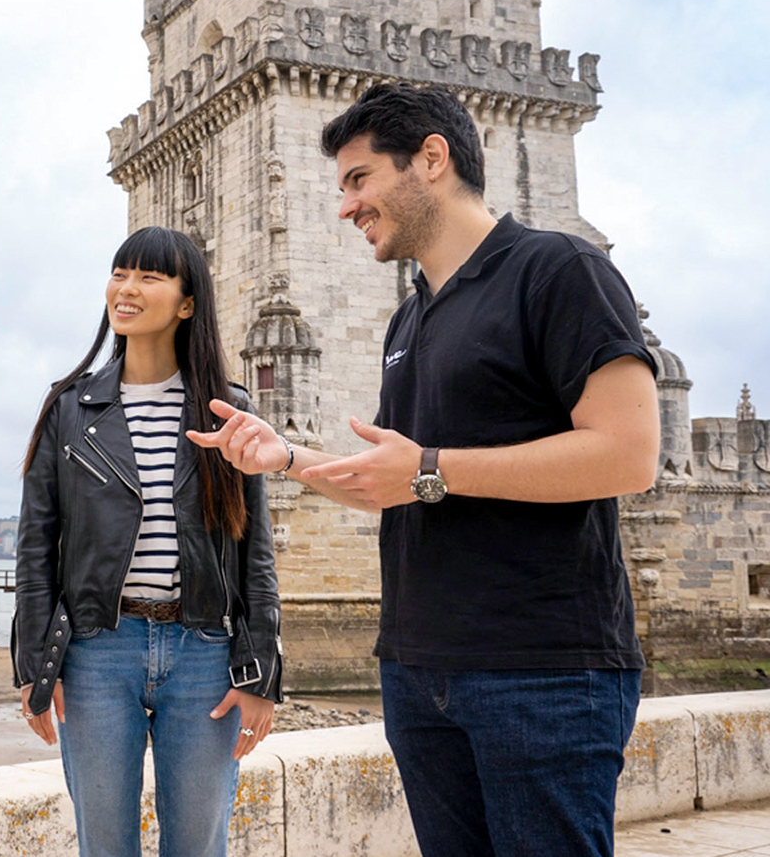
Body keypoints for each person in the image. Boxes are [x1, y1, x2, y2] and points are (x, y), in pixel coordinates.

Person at [191, 82, 658, 857]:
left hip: (540, 671)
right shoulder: (411, 316)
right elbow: (399, 480)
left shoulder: (559, 270)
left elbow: (629, 453)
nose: (346, 207)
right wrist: (288, 457)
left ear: (431, 159)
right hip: (419, 671)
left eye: (359, 179)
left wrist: (430, 470)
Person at [15, 226, 284, 857]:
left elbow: (256, 552)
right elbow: (36, 546)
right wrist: (35, 665)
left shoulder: (227, 409)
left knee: (199, 845)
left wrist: (262, 671)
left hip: (204, 654)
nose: (126, 289)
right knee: (104, 846)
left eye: (150, 276)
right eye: (119, 273)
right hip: (96, 654)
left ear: (187, 303)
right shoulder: (70, 408)